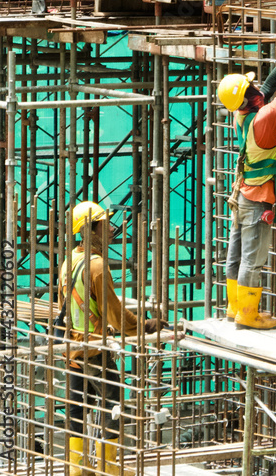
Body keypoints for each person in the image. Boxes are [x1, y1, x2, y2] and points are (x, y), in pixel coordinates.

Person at [61, 201, 165, 476]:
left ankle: (76, 469)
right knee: (114, 402)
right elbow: (116, 315)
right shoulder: (96, 266)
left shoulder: (69, 261)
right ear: (88, 229)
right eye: (103, 226)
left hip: (72, 347)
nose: (111, 231)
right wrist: (146, 326)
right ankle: (108, 467)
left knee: (77, 406)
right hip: (94, 350)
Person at [218, 37, 276, 330]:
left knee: (235, 253)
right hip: (258, 200)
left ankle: (235, 307)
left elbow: (266, 88)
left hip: (244, 196)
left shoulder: (242, 115)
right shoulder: (266, 118)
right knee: (252, 260)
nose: (257, 87)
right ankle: (247, 313)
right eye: (251, 87)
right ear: (248, 97)